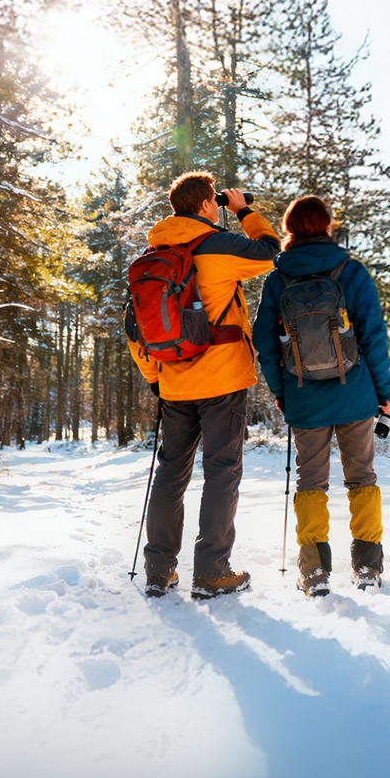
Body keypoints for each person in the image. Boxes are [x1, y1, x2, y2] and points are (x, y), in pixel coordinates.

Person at [130, 172, 281, 598]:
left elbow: (135, 327)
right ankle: (212, 573)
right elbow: (273, 253)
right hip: (222, 379)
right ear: (206, 205)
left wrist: (157, 378)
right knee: (221, 474)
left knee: (170, 474)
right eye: (215, 201)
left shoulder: (154, 254)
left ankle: (159, 571)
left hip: (174, 383)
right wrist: (245, 211)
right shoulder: (217, 244)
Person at [252, 193, 390, 593]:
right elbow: (373, 337)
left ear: (289, 229)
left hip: (303, 395)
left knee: (310, 482)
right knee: (362, 477)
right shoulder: (350, 271)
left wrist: (282, 392)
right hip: (356, 394)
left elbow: (264, 344)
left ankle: (314, 571)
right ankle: (367, 567)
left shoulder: (278, 279)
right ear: (327, 226)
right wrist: (384, 392)